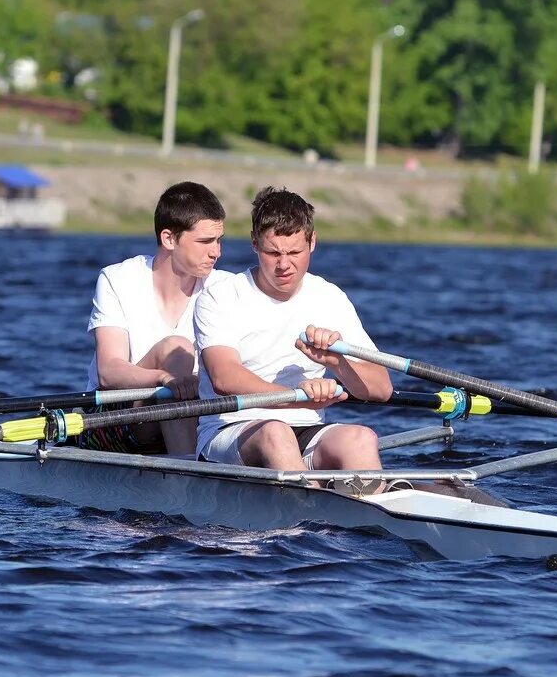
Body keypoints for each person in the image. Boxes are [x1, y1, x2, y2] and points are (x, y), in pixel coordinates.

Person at [193, 186, 393, 473]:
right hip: (230, 431)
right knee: (277, 433)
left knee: (361, 439)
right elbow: (224, 377)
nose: (284, 265)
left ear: (312, 242)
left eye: (295, 252)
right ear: (254, 243)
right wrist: (295, 396)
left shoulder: (329, 296)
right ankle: (309, 512)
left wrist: (336, 362)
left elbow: (381, 389)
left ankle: (373, 513)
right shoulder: (220, 296)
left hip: (305, 427)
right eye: (272, 252)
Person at [83, 181, 229, 455]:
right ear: (169, 239)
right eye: (206, 241)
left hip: (198, 414)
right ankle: (190, 482)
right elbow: (109, 370)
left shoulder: (227, 289)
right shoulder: (118, 278)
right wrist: (164, 378)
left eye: (219, 240)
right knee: (176, 348)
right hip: (117, 419)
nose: (216, 252)